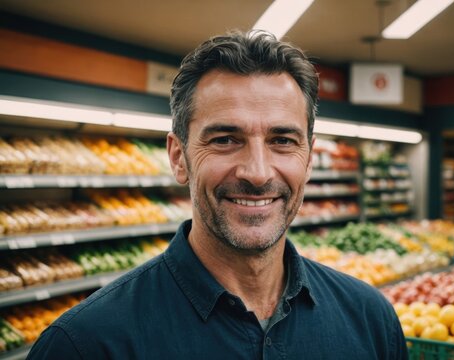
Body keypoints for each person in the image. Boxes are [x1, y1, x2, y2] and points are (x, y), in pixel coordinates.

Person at [27, 30, 407, 359]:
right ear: (179, 158)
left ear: (308, 160)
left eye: (282, 140)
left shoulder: (371, 320)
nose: (257, 173)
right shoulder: (84, 345)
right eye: (225, 139)